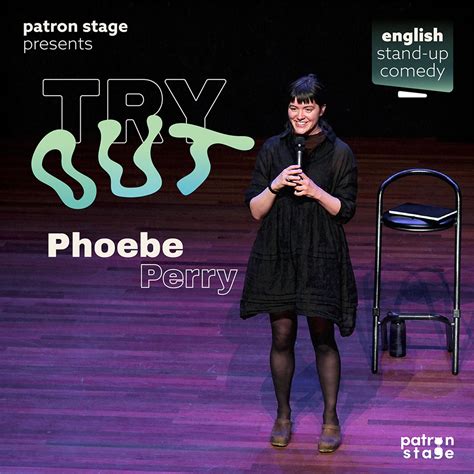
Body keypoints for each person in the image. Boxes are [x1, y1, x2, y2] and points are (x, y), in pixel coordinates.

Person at [240, 73, 358, 453]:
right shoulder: (274, 149)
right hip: (280, 252)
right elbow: (256, 210)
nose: (299, 115)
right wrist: (274, 185)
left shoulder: (340, 153)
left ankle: (330, 419)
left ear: (322, 110)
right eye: (294, 107)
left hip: (320, 252)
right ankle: (283, 416)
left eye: (307, 108)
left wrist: (315, 190)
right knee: (281, 336)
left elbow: (345, 210)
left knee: (323, 337)